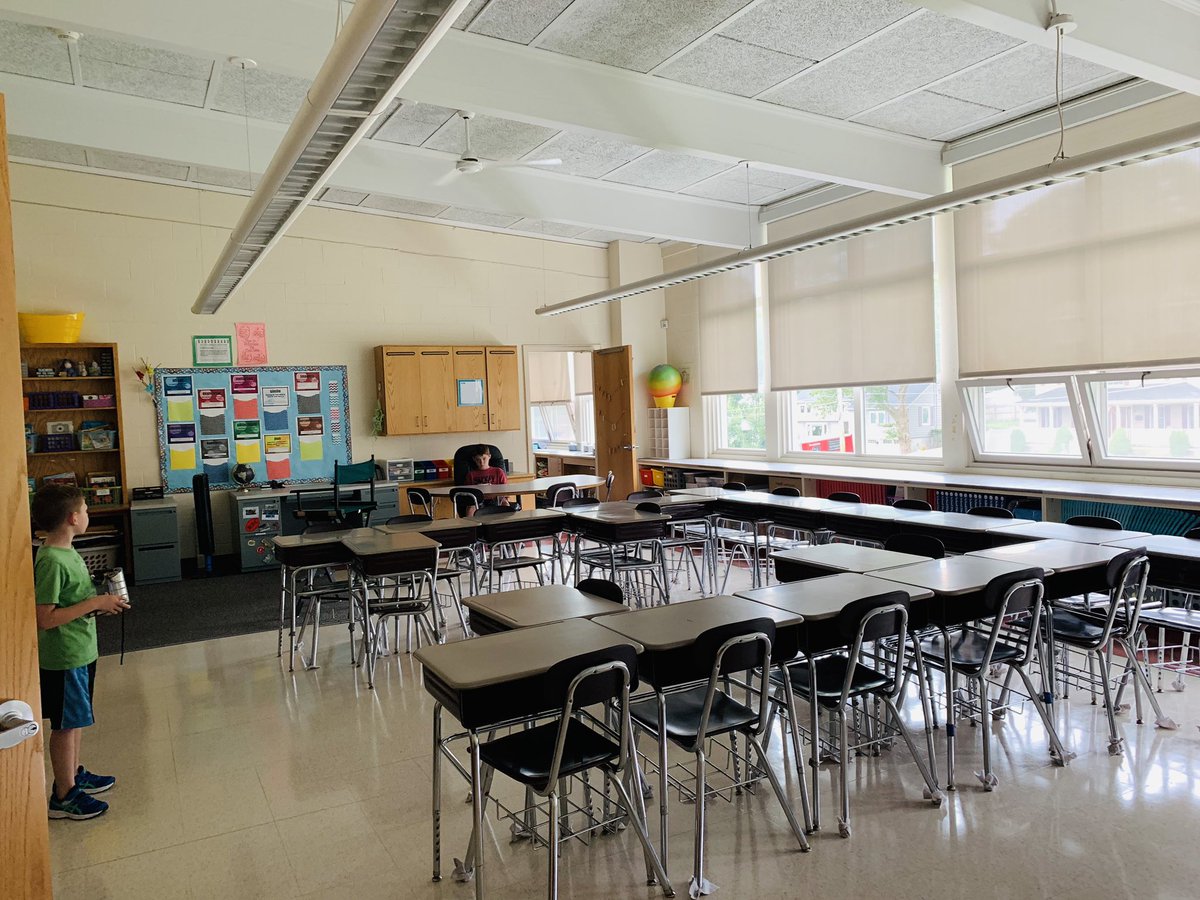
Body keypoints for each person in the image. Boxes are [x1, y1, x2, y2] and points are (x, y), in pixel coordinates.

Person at [31, 484, 129, 820]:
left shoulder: (68, 551)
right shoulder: (51, 560)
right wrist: (94, 602)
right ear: (73, 518)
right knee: (65, 726)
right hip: (64, 658)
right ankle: (64, 794)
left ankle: (73, 774)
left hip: (81, 650)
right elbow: (45, 618)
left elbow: (72, 602)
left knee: (77, 719)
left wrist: (99, 604)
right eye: (86, 510)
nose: (88, 514)